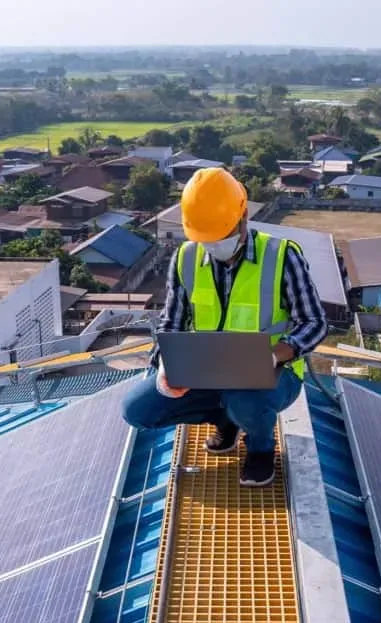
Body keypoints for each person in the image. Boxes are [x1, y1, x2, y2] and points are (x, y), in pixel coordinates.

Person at [122, 167, 328, 487]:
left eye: (222, 234)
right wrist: (163, 364)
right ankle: (226, 420)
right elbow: (172, 323)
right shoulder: (185, 259)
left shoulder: (282, 257)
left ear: (243, 215)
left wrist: (275, 355)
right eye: (206, 238)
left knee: (244, 399)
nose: (214, 244)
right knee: (138, 410)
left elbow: (314, 322)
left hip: (272, 372)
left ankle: (260, 449)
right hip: (207, 368)